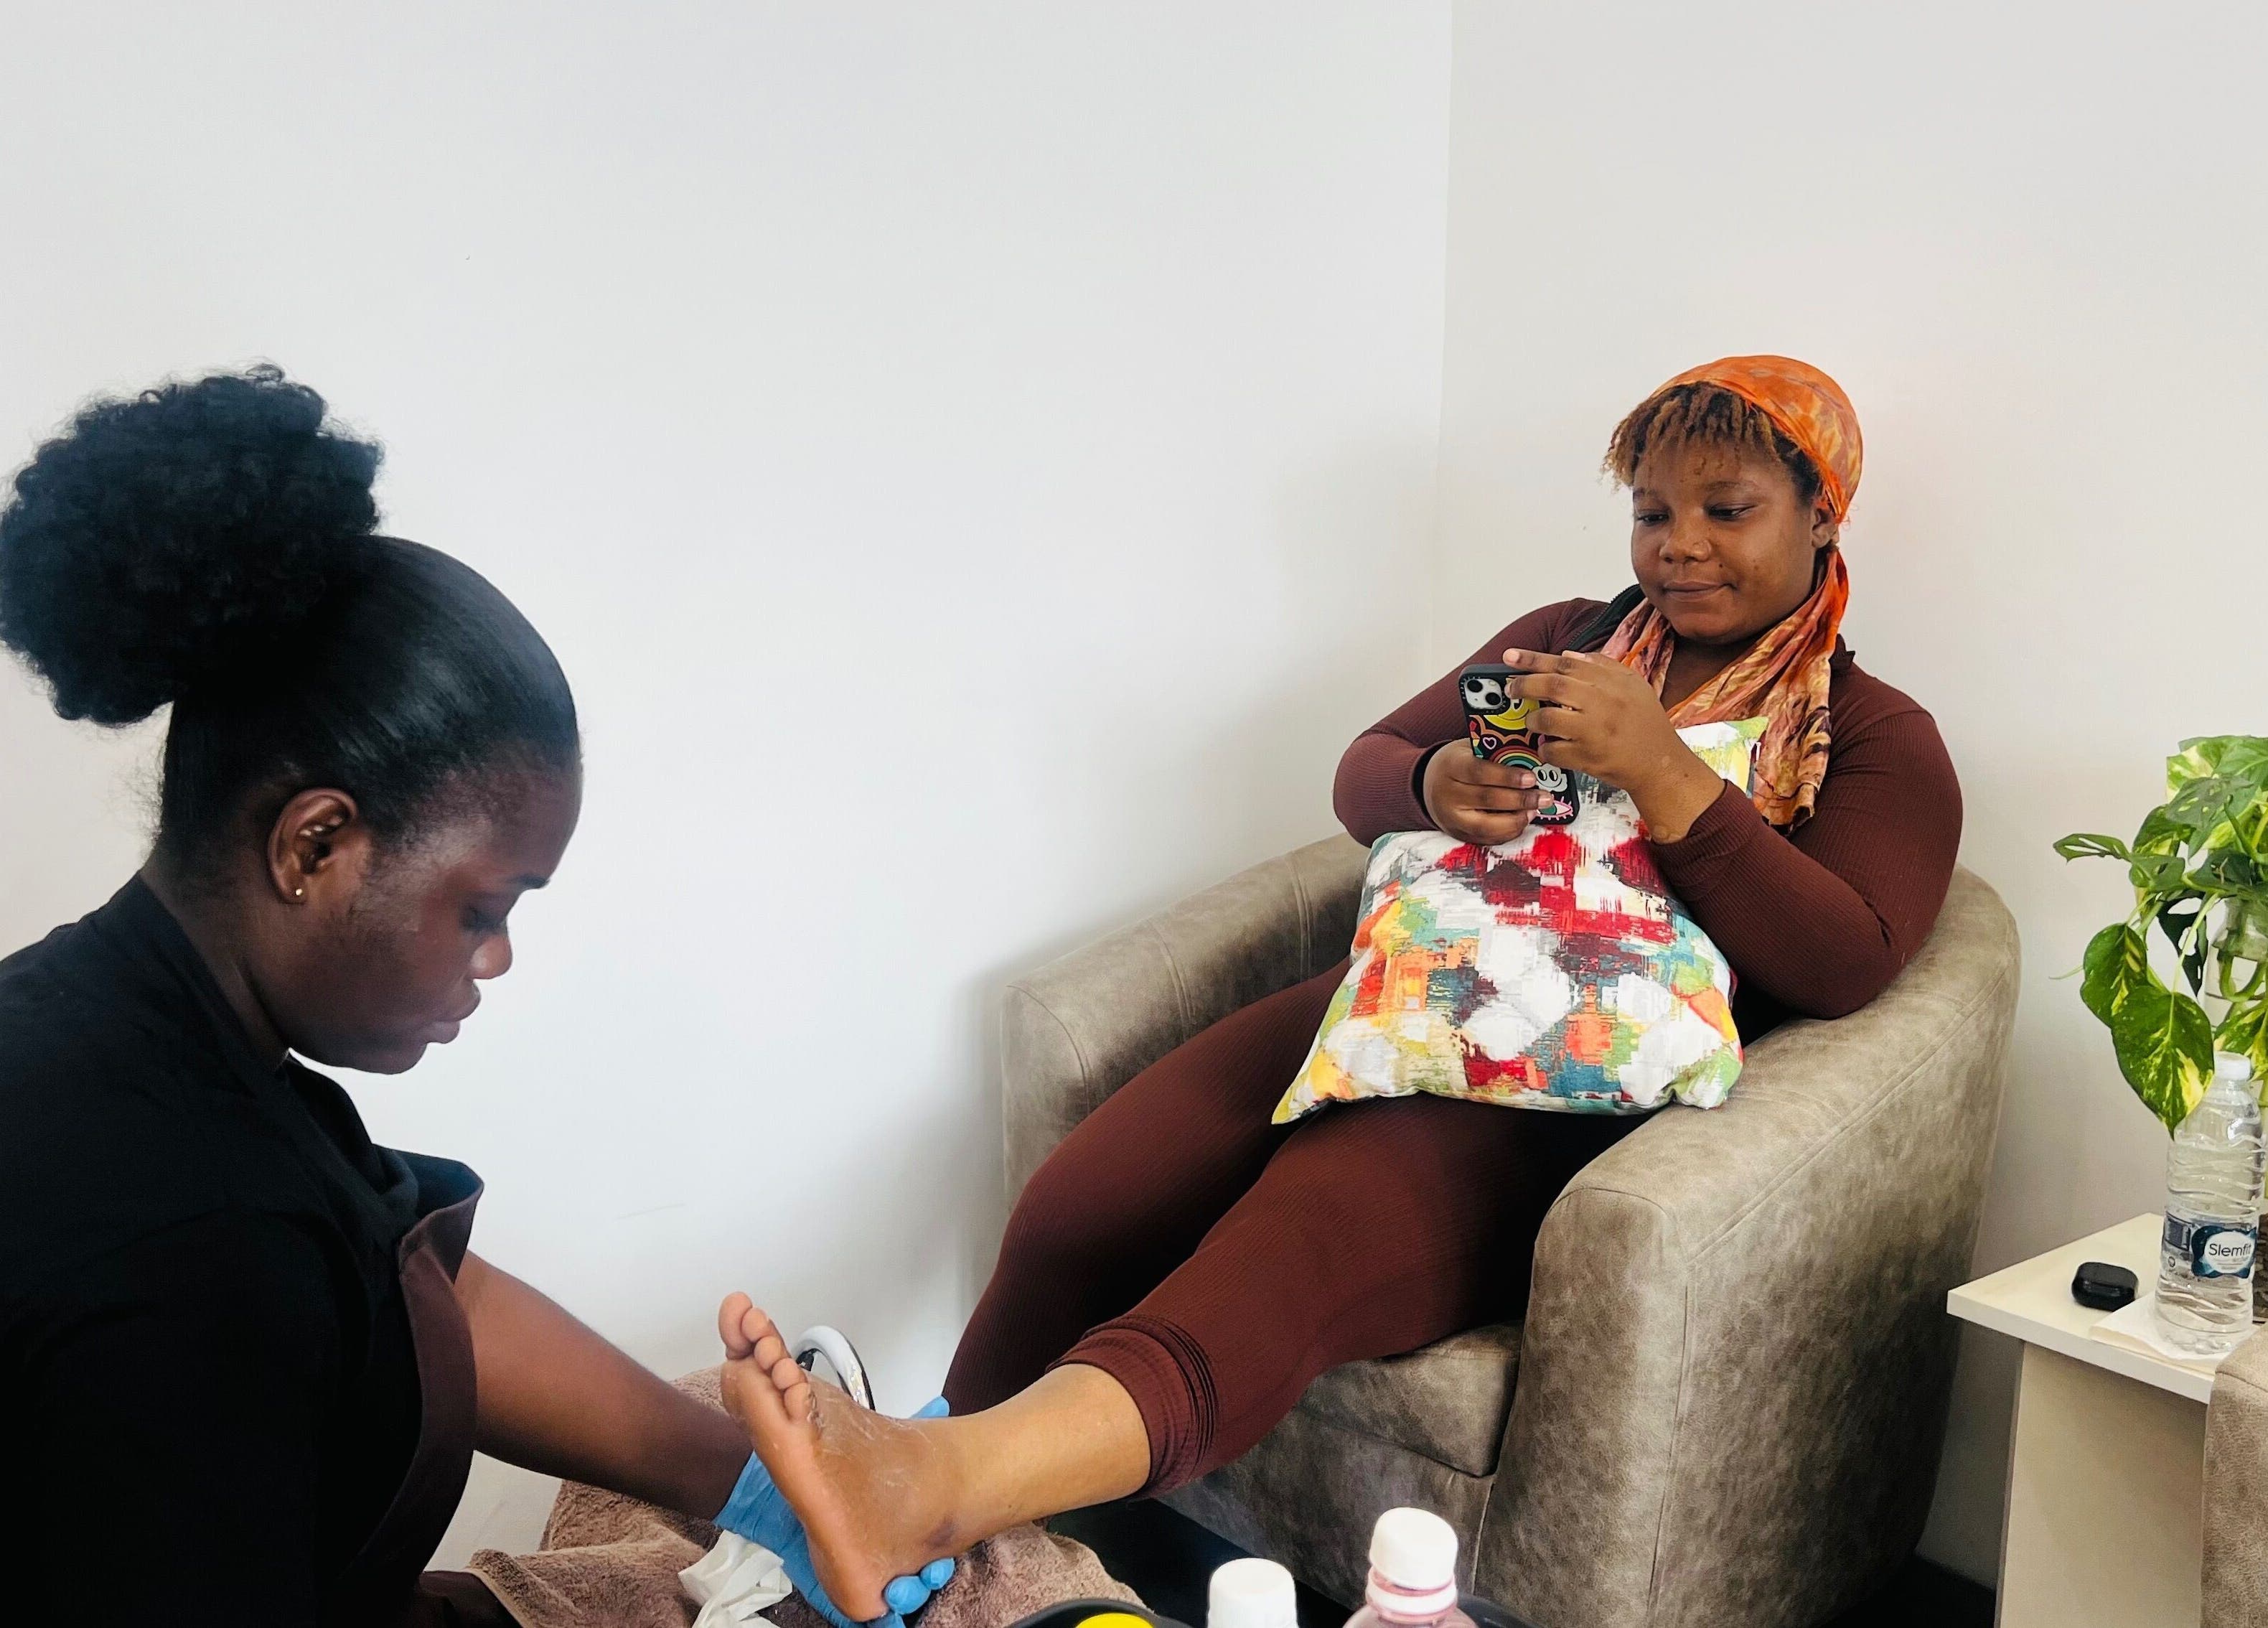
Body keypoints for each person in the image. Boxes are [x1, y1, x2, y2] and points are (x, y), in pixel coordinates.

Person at [707, 355, 1965, 1619]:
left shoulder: (1874, 736)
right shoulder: (1569, 642)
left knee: (1285, 1247)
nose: (1678, 544)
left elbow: (1846, 958)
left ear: (1822, 512)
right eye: (1651, 510)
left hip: (1564, 1091)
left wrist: (1665, 771)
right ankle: (900, 1526)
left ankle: (926, 1490)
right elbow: (1370, 763)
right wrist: (1437, 788)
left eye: (1726, 508)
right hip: (1400, 1002)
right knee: (1087, 1198)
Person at [0, 368, 950, 1628]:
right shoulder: (194, 1257)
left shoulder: (112, 1017)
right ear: (315, 846)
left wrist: (766, 1482)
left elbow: (424, 1287)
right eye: (483, 908)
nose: (496, 959)